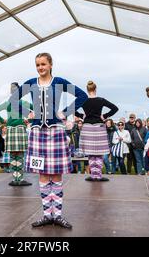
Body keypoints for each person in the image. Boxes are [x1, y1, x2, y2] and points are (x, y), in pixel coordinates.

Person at [9, 53, 88, 229]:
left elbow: (82, 96)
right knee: (42, 174)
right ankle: (46, 215)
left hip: (56, 132)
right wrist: (26, 114)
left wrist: (65, 112)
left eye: (43, 64)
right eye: (37, 65)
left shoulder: (59, 82)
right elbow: (13, 100)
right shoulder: (30, 83)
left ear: (51, 64)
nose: (40, 68)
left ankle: (57, 215)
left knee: (56, 174)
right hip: (37, 133)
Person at [0, 82, 33, 186]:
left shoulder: (7, 103)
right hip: (20, 129)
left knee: (12, 155)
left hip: (10, 129)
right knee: (20, 154)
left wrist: (3, 121)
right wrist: (29, 120)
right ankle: (20, 179)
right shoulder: (22, 102)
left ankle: (15, 178)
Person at [78, 80, 118, 182]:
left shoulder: (83, 100)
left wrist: (81, 115)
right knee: (99, 153)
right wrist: (104, 116)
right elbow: (115, 108)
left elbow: (71, 109)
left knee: (91, 153)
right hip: (99, 126)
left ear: (87, 90)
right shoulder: (101, 100)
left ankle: (93, 175)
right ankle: (98, 175)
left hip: (87, 127)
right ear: (95, 89)